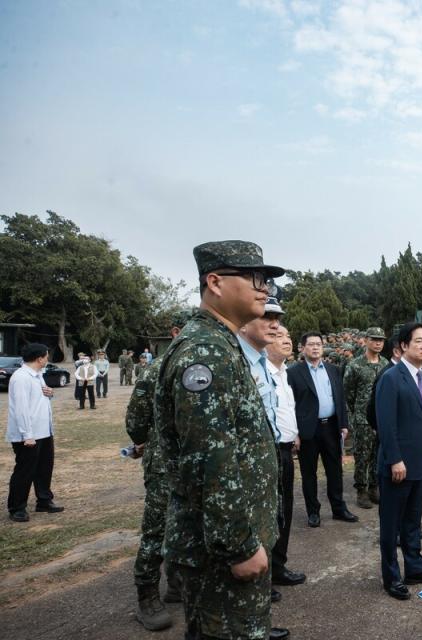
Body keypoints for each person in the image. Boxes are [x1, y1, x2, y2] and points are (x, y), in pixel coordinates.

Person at [155, 240, 288, 640]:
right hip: (222, 552)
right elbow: (209, 462)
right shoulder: (206, 352)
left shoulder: (224, 345)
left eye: (265, 279)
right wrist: (239, 547)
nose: (264, 288)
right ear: (214, 282)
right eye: (254, 278)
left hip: (233, 540)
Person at [125, 312, 190, 631]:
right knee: (158, 528)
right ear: (176, 332)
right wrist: (151, 442)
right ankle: (147, 595)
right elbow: (135, 424)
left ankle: (178, 584)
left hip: (197, 464)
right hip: (165, 466)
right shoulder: (157, 370)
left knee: (191, 524)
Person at [375, 322, 422, 600]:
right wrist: (395, 459)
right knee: (391, 524)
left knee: (413, 522)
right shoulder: (391, 378)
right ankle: (391, 578)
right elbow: (386, 423)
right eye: (418, 341)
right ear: (403, 346)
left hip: (419, 462)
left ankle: (415, 568)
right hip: (398, 466)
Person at [286, 332, 357, 527]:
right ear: (302, 348)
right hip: (308, 430)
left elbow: (339, 398)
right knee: (309, 473)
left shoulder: (334, 370)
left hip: (331, 427)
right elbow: (289, 404)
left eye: (319, 344)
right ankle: (313, 512)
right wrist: (295, 433)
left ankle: (338, 509)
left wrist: (343, 424)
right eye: (311, 344)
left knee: (334, 470)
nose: (316, 347)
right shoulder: (293, 372)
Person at [265, 321, 307, 590]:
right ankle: (263, 575)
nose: (287, 339)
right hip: (268, 452)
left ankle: (278, 567)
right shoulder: (260, 373)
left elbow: (285, 411)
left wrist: (294, 434)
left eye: (288, 335)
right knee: (268, 514)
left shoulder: (284, 373)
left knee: (285, 511)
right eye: (279, 335)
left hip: (286, 449)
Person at [6, 343, 61, 523]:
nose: (47, 359)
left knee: (44, 468)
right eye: (46, 356)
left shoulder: (38, 375)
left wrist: (50, 393)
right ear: (39, 358)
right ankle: (17, 508)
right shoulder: (21, 378)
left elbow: (40, 398)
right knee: (25, 471)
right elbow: (20, 409)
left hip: (43, 431)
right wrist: (27, 434)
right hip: (28, 434)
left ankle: (44, 500)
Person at [343, 326, 388, 510]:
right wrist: (356, 415)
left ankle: (373, 487)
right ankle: (361, 489)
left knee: (378, 454)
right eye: (374, 339)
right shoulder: (355, 365)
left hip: (382, 419)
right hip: (362, 418)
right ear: (366, 340)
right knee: (362, 455)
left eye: (381, 340)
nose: (378, 342)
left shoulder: (386, 364)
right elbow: (348, 393)